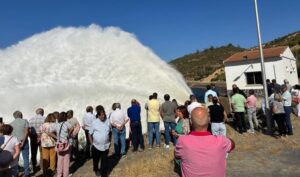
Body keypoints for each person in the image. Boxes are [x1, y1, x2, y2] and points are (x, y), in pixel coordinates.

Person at [175, 107, 235, 177]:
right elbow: (232, 145)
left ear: (190, 122)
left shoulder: (182, 141)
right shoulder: (221, 141)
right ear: (209, 120)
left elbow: (177, 156)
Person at [89, 106, 111, 177]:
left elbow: (110, 131)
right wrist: (92, 144)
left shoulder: (108, 121)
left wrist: (109, 140)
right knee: (96, 160)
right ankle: (95, 169)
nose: (103, 116)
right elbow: (90, 134)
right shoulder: (94, 122)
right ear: (98, 116)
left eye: (104, 115)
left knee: (104, 161)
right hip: (96, 146)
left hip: (105, 146)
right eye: (101, 115)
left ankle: (103, 174)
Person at [10, 111, 30, 177]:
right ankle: (26, 174)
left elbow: (10, 135)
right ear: (21, 115)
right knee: (26, 159)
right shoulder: (25, 121)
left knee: (15, 159)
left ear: (14, 116)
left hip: (15, 144)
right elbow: (26, 132)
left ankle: (15, 174)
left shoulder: (11, 124)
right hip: (24, 142)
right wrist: (23, 142)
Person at [56, 112, 73, 177]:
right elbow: (72, 128)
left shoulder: (57, 124)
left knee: (60, 160)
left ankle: (59, 174)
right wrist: (68, 134)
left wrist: (56, 137)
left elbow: (50, 131)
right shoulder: (66, 123)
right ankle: (65, 174)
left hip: (59, 143)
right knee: (66, 160)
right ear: (65, 117)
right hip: (66, 143)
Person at [29, 108, 45, 173]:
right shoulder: (44, 118)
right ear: (42, 112)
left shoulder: (31, 119)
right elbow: (45, 129)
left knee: (33, 153)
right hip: (42, 137)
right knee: (42, 153)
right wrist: (40, 136)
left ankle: (33, 168)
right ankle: (42, 168)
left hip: (33, 137)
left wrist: (31, 137)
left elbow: (28, 130)